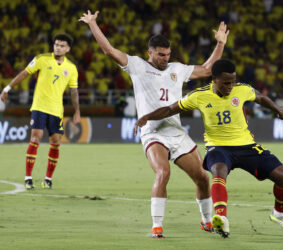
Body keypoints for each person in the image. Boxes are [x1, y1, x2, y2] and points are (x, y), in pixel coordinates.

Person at [79, 10, 229, 238]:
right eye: (160, 55)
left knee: (202, 177)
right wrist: (92, 24)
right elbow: (109, 50)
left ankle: (207, 221)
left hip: (176, 132)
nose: (165, 59)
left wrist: (219, 44)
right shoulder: (137, 65)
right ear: (149, 52)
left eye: (168, 54)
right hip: (153, 133)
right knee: (163, 171)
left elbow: (208, 69)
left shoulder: (177, 69)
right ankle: (157, 226)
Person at [134, 59, 283, 238]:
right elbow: (170, 109)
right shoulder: (199, 95)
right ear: (214, 79)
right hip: (218, 147)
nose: (230, 86)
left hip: (246, 145)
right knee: (218, 171)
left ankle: (279, 214)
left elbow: (261, 98)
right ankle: (221, 218)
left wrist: (277, 109)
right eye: (226, 83)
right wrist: (147, 117)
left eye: (232, 82)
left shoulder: (242, 89)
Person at [0, 33, 80, 190]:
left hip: (56, 110)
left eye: (62, 45)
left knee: (55, 143)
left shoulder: (71, 68)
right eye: (56, 44)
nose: (58, 47)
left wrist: (77, 111)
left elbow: (74, 91)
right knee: (36, 138)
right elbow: (24, 73)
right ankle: (28, 178)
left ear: (68, 49)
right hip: (39, 107)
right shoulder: (41, 59)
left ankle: (48, 179)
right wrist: (7, 88)